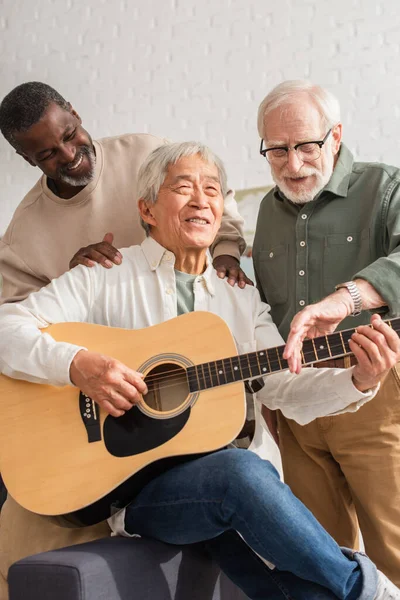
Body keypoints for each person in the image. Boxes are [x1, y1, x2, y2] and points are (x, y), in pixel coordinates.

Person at [0, 142, 399, 599]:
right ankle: (371, 591)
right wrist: (76, 365)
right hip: (138, 493)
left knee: (290, 578)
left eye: (212, 190)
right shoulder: (104, 275)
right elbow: (6, 326)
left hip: (224, 493)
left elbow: (282, 385)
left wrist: (359, 380)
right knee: (239, 472)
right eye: (183, 188)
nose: (201, 200)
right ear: (146, 209)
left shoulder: (240, 296)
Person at [253, 79, 400, 586]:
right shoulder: (267, 211)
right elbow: (270, 307)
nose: (292, 165)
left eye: (305, 147)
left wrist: (348, 299)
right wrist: (271, 399)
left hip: (375, 385)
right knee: (319, 554)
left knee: (393, 548)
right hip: (296, 396)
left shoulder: (385, 186)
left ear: (335, 136)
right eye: (277, 150)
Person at [0, 81, 248, 306]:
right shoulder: (23, 237)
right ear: (27, 158)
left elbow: (215, 198)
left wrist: (226, 253)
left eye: (70, 135)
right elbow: (16, 325)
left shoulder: (148, 154)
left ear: (75, 114)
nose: (68, 155)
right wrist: (72, 283)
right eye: (47, 154)